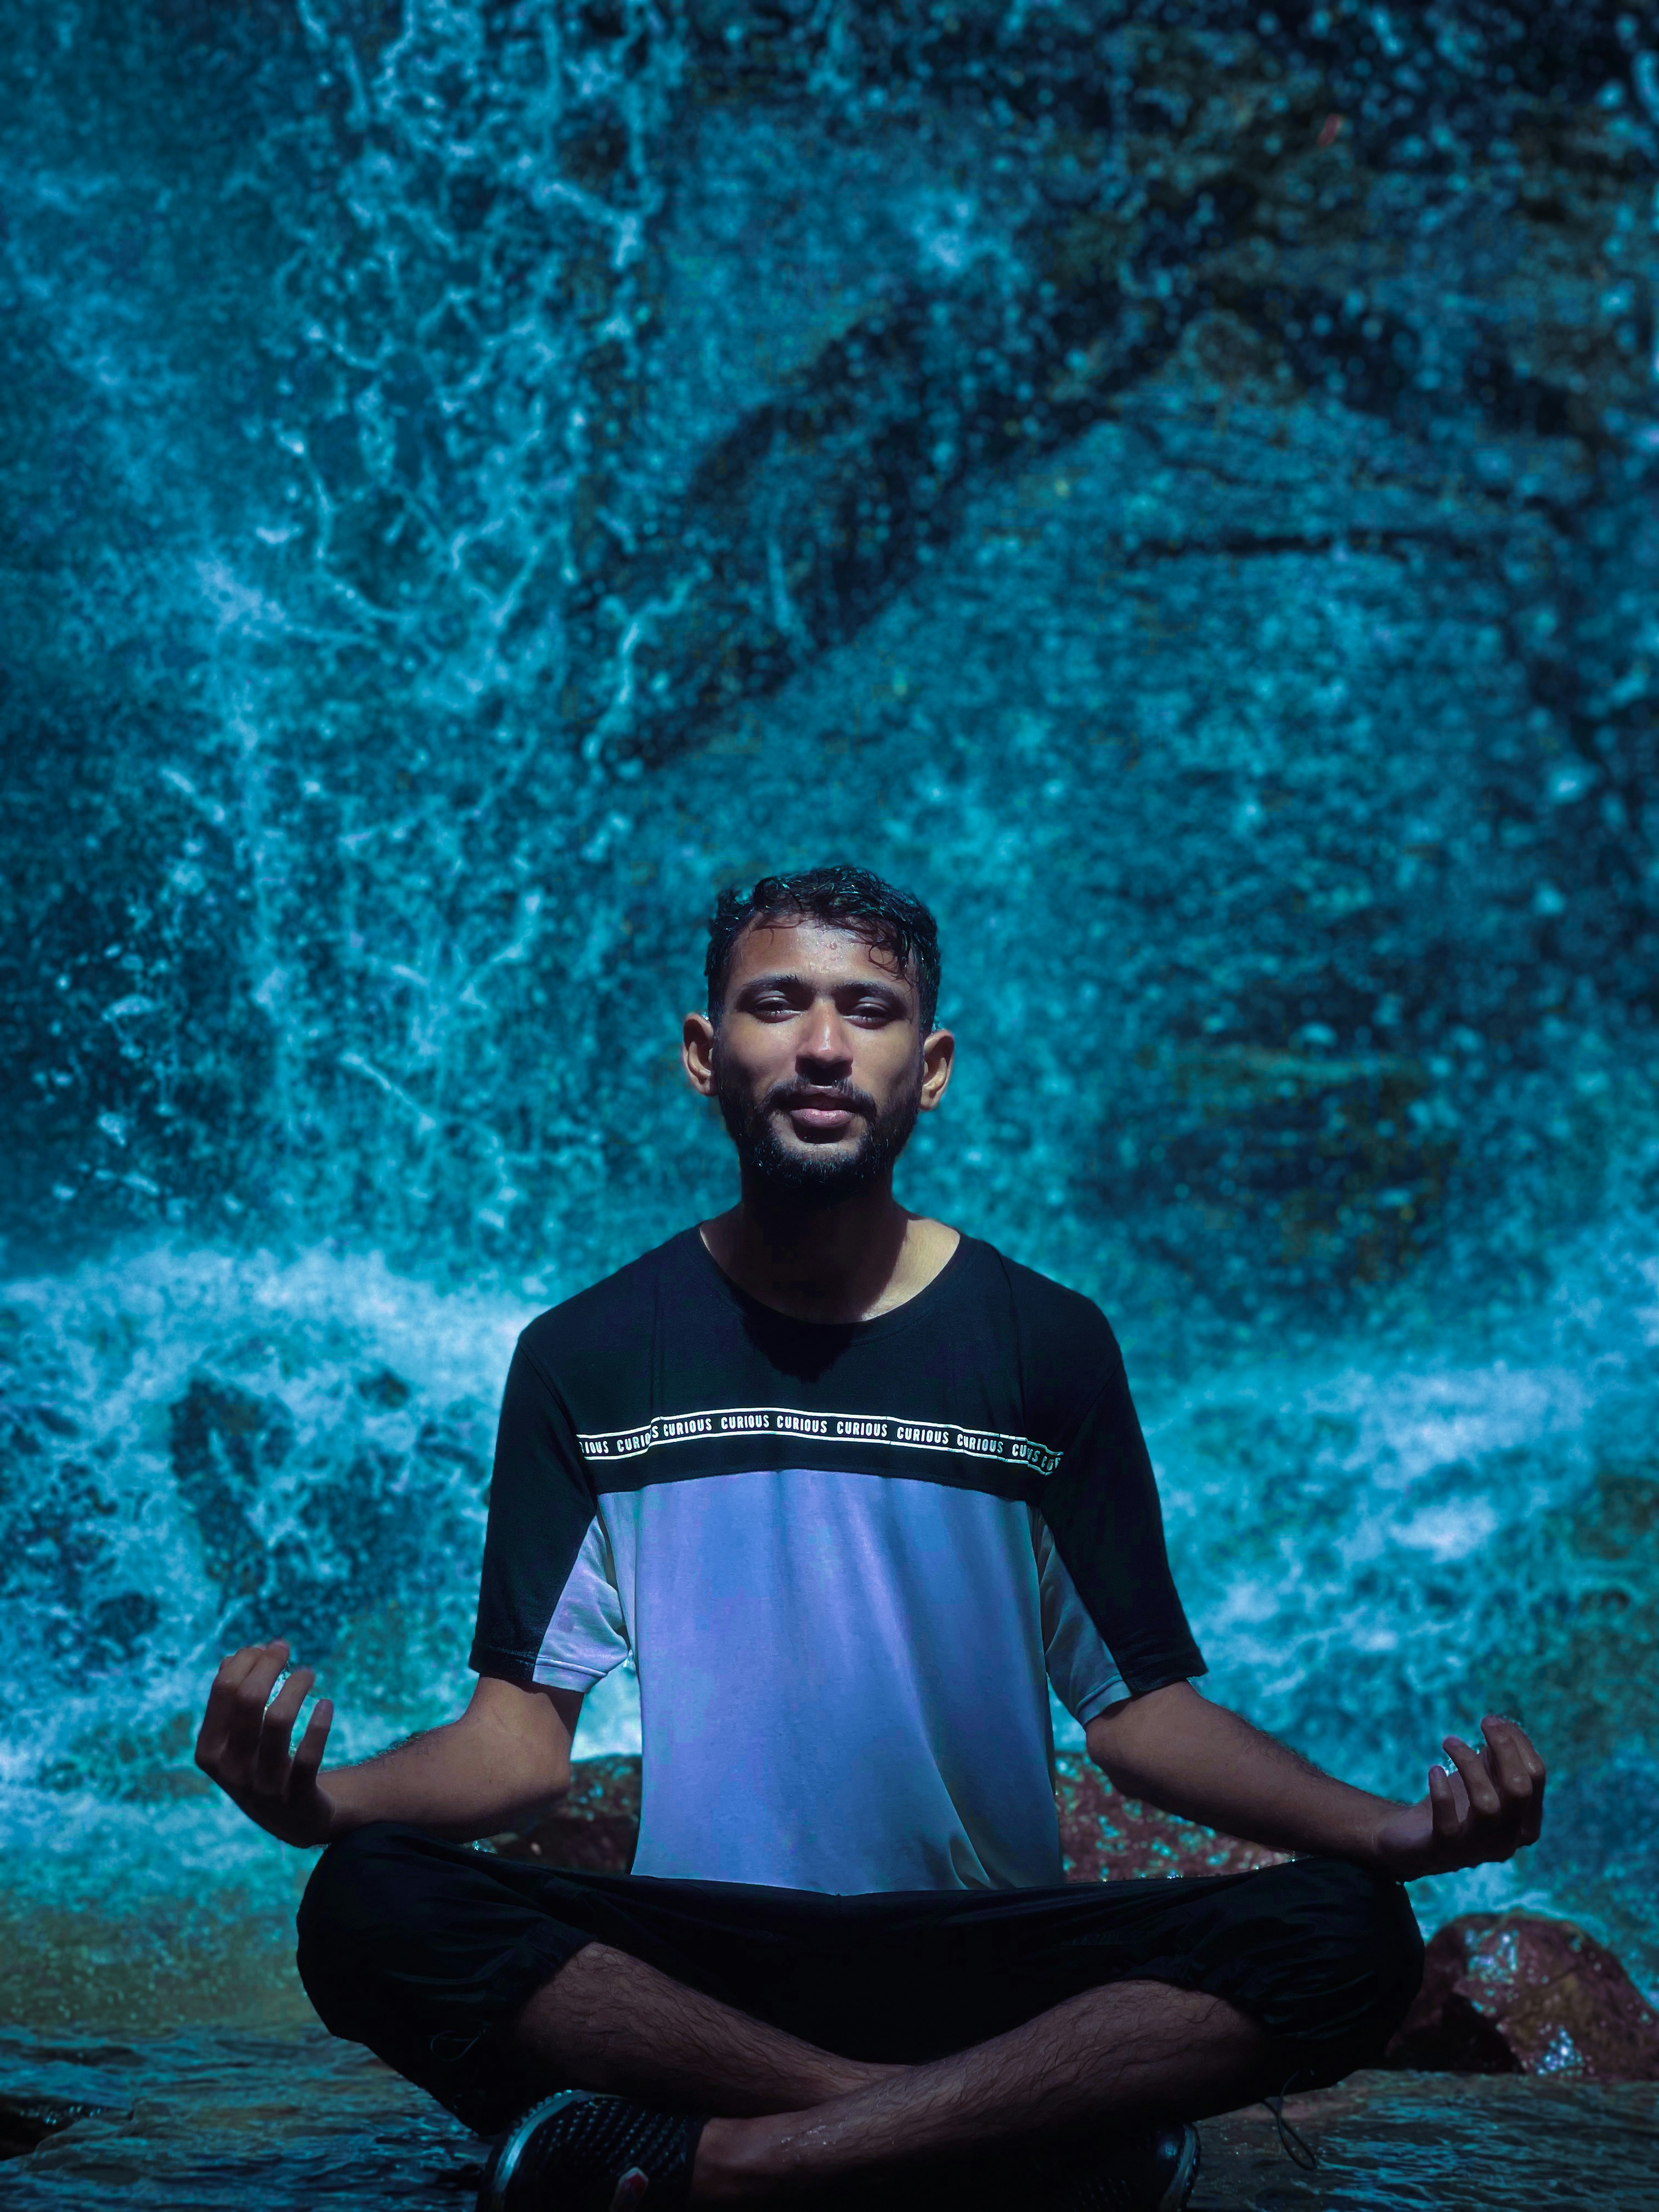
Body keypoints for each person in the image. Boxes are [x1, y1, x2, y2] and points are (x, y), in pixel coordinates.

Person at [194, 865, 1546, 2212]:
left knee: (1349, 1931)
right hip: (706, 1963)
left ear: (931, 1064)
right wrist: (324, 1806)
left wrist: (1386, 1831)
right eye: (777, 1005)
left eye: (871, 1010)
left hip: (985, 1959)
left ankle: (741, 2159)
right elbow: (515, 1746)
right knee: (369, 1901)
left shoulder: (1044, 1345)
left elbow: (1140, 1718)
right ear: (704, 1053)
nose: (825, 1045)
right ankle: (1005, 2140)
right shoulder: (588, 1359)